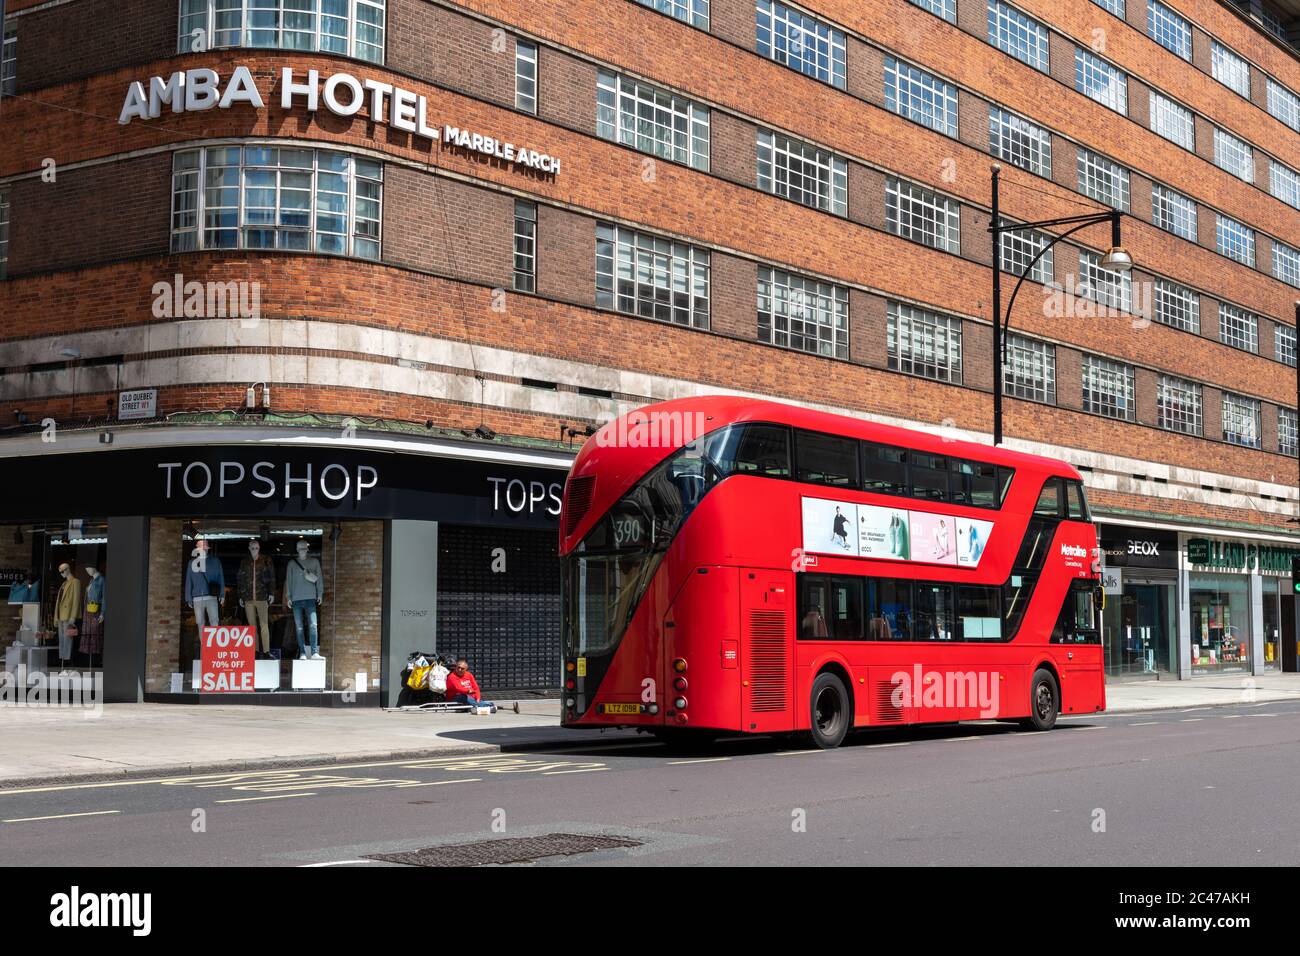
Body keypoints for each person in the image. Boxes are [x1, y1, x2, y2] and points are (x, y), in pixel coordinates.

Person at [445, 659, 519, 714]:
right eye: (458, 667)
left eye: (462, 668)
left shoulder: (468, 675)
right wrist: (468, 691)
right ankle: (491, 706)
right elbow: (458, 688)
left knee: (475, 701)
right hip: (455, 698)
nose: (459, 670)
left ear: (466, 669)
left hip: (469, 697)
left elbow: (476, 687)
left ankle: (490, 706)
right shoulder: (452, 676)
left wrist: (477, 697)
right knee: (464, 696)